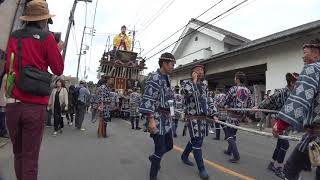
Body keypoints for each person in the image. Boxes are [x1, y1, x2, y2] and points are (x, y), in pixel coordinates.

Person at [5, 0, 64, 179]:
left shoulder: (14, 36)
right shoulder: (47, 39)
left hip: (13, 105)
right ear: (43, 20)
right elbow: (58, 69)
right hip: (34, 106)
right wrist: (57, 49)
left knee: (19, 155)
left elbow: (9, 63)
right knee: (30, 159)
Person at [274, 39, 320, 180]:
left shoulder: (313, 68)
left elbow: (300, 99)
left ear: (317, 54)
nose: (303, 57)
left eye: (305, 53)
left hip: (317, 134)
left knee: (291, 168)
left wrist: (280, 124)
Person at [139, 52, 176, 180]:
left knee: (169, 145)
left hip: (166, 119)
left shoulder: (168, 79)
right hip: (156, 117)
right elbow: (148, 98)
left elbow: (169, 99)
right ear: (164, 64)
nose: (173, 67)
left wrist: (172, 113)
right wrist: (151, 120)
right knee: (160, 148)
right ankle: (152, 176)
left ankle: (154, 158)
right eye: (172, 64)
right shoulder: (154, 77)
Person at [257, 73, 298, 178]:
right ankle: (279, 168)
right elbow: (268, 101)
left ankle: (271, 164)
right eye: (297, 82)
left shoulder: (295, 93)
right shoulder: (282, 92)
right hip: (278, 122)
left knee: (280, 144)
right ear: (292, 82)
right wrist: (259, 106)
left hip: (286, 123)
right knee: (285, 145)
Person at [180, 64, 216, 180]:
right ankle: (202, 169)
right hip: (192, 117)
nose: (200, 72)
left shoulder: (205, 85)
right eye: (197, 70)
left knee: (196, 139)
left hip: (203, 118)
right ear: (192, 72)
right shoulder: (186, 83)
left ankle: (184, 155)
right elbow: (185, 93)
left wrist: (214, 114)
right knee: (198, 142)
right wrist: (194, 81)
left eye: (202, 70)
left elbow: (209, 99)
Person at [219, 71, 252, 163]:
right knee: (233, 134)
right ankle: (229, 151)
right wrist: (246, 116)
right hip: (240, 116)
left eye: (235, 78)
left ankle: (236, 156)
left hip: (232, 115)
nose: (234, 79)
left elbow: (226, 101)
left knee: (229, 135)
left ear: (237, 79)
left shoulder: (233, 89)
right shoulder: (248, 90)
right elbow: (250, 104)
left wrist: (220, 105)